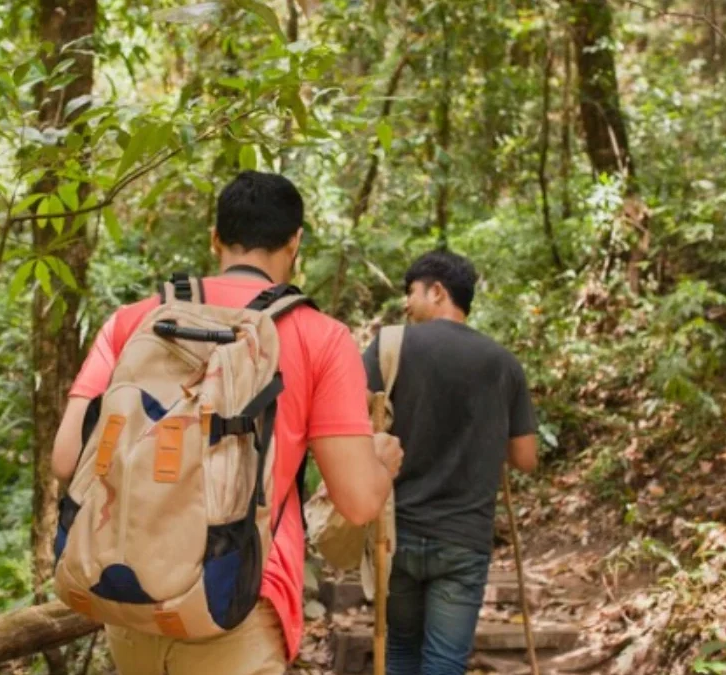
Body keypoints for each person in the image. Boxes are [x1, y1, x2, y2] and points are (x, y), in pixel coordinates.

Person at [51, 170, 403, 675]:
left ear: (215, 237)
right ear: (295, 241)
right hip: (236, 605)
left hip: (133, 603)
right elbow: (357, 499)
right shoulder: (320, 337)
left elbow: (67, 459)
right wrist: (382, 462)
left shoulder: (133, 321)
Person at [363, 250, 538, 675]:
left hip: (397, 533)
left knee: (401, 651)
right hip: (463, 538)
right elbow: (525, 458)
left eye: (411, 292)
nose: (406, 303)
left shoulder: (389, 347)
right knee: (444, 663)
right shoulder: (502, 363)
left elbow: (349, 426)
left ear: (437, 290)